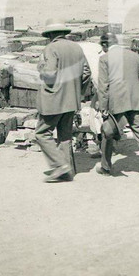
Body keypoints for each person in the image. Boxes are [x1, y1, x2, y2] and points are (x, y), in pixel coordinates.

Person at [34, 21, 94, 183]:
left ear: (51, 35)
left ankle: (60, 166)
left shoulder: (51, 49)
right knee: (65, 135)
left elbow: (50, 74)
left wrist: (40, 68)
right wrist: (77, 91)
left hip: (53, 100)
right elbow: (87, 73)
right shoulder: (77, 48)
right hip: (72, 100)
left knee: (41, 133)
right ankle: (68, 171)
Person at [95, 34, 139, 185]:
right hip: (136, 101)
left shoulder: (105, 59)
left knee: (107, 132)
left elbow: (103, 86)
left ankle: (106, 167)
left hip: (116, 103)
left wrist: (103, 107)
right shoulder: (134, 56)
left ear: (105, 45)